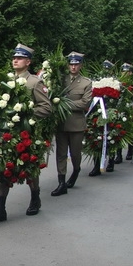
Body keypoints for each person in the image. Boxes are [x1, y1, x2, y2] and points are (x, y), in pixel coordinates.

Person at [0, 44, 52, 224]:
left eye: (20, 58)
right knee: (3, 168)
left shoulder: (34, 82)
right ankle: (0, 208)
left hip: (26, 132)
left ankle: (35, 198)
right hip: (6, 133)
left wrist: (26, 114)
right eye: (14, 57)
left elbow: (46, 107)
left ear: (28, 62)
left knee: (30, 167)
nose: (15, 60)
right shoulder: (5, 80)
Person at [51, 52, 92, 196]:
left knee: (75, 154)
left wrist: (64, 104)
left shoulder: (86, 82)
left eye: (76, 64)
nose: (73, 67)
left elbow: (85, 103)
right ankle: (61, 182)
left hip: (76, 124)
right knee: (61, 154)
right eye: (71, 64)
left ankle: (76, 170)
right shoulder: (61, 80)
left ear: (80, 65)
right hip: (62, 124)